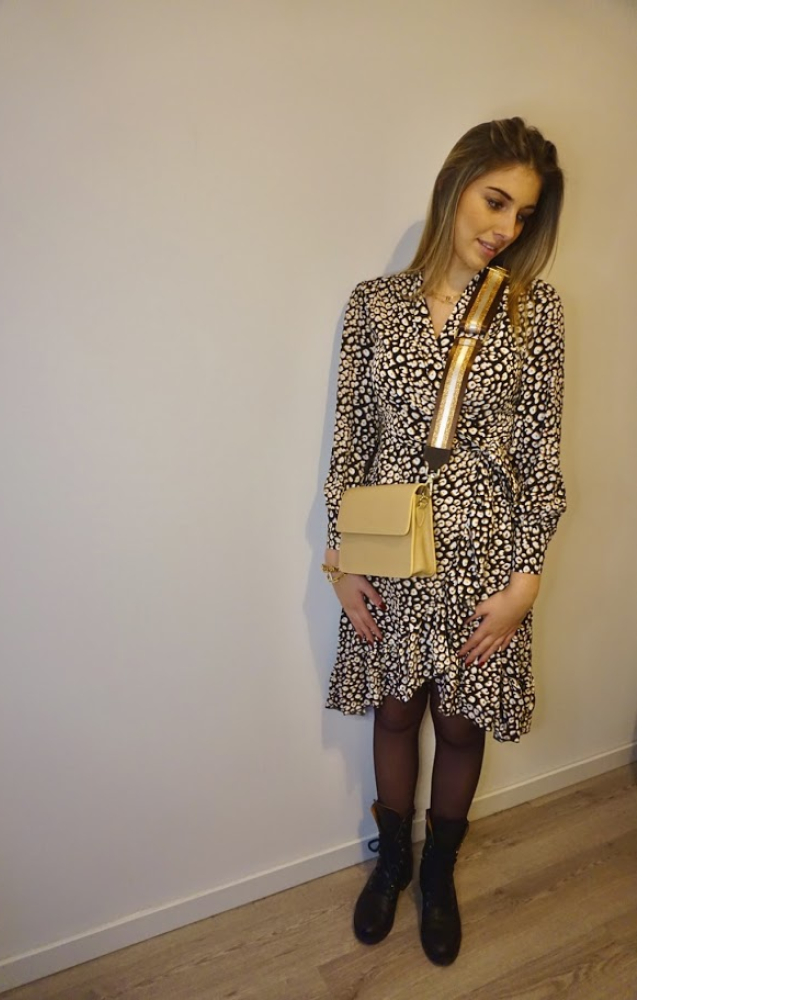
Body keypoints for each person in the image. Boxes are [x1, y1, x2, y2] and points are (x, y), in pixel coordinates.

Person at [321, 117, 566, 966]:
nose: (506, 228)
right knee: (395, 710)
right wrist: (339, 563)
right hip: (390, 550)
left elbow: (541, 454)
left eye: (523, 214)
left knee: (461, 724)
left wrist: (527, 579)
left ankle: (438, 872)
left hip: (486, 557)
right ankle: (393, 859)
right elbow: (351, 441)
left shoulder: (535, 312)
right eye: (495, 201)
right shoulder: (373, 304)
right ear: (454, 187)